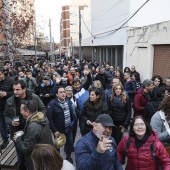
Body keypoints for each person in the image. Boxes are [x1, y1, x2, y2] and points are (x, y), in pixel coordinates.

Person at [4, 80, 46, 170]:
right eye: (14, 89)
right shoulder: (10, 100)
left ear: (24, 89)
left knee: (34, 158)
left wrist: (37, 120)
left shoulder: (34, 97)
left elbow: (43, 109)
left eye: (17, 89)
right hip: (17, 133)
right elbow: (6, 115)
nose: (15, 92)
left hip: (32, 133)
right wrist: (11, 122)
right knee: (21, 159)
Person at [13, 100, 53, 170]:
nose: (20, 112)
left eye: (21, 110)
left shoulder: (33, 126)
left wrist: (18, 138)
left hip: (38, 161)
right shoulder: (41, 117)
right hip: (46, 157)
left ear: (27, 111)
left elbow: (26, 148)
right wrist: (24, 132)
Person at [47, 86, 76, 163]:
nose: (63, 94)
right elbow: (49, 118)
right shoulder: (52, 104)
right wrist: (54, 130)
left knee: (69, 143)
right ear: (56, 94)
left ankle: (68, 157)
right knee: (57, 146)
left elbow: (72, 112)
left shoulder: (68, 101)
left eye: (64, 92)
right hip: (58, 130)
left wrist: (72, 122)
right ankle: (57, 160)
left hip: (68, 128)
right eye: (61, 92)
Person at [0, 68, 14, 149]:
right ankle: (5, 140)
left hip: (9, 107)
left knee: (11, 124)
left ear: (3, 73)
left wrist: (6, 94)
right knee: (2, 126)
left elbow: (15, 93)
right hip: (0, 108)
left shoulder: (10, 81)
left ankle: (15, 138)